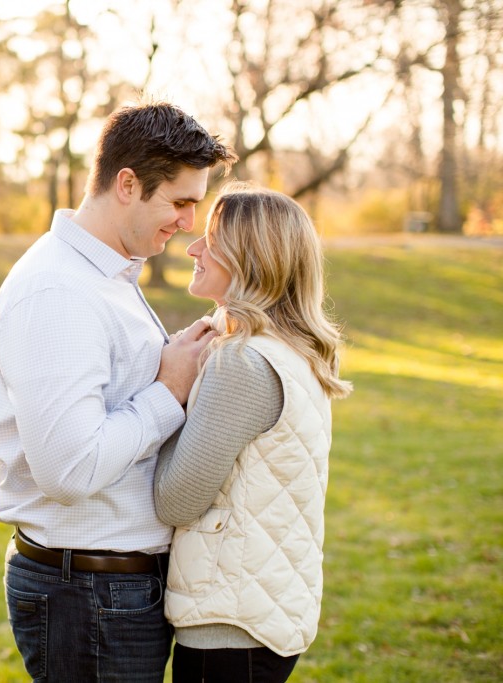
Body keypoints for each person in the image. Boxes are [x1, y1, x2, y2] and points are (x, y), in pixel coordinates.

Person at [0, 100, 236, 681]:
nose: (188, 223)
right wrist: (168, 390)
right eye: (179, 202)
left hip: (110, 589)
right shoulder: (58, 290)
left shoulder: (105, 275)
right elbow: (70, 468)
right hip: (89, 593)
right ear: (127, 184)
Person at [154, 183, 353, 683]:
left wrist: (167, 391)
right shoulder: (292, 351)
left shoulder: (243, 362)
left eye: (211, 239)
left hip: (229, 626)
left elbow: (176, 501)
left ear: (250, 259)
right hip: (263, 612)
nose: (192, 248)